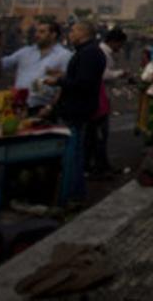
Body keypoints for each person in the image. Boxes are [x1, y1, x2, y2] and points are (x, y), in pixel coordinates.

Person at [43, 21, 106, 204]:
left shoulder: (89, 54)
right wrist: (63, 76)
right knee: (75, 152)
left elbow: (83, 84)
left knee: (73, 154)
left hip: (77, 109)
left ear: (82, 33)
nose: (70, 33)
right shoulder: (87, 52)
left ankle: (71, 195)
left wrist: (59, 82)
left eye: (73, 30)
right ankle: (73, 194)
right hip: (78, 108)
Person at [0, 21, 72, 114]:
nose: (37, 35)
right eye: (36, 32)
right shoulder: (25, 52)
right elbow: (1, 65)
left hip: (43, 108)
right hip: (18, 106)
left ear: (53, 35)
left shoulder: (64, 55)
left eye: (42, 32)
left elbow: (65, 85)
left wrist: (50, 107)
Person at [86, 28, 127, 178]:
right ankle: (99, 167)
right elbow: (103, 74)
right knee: (99, 135)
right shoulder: (103, 53)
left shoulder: (104, 52)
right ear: (114, 42)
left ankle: (98, 166)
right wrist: (120, 73)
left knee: (96, 135)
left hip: (101, 97)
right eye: (120, 44)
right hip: (99, 99)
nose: (120, 48)